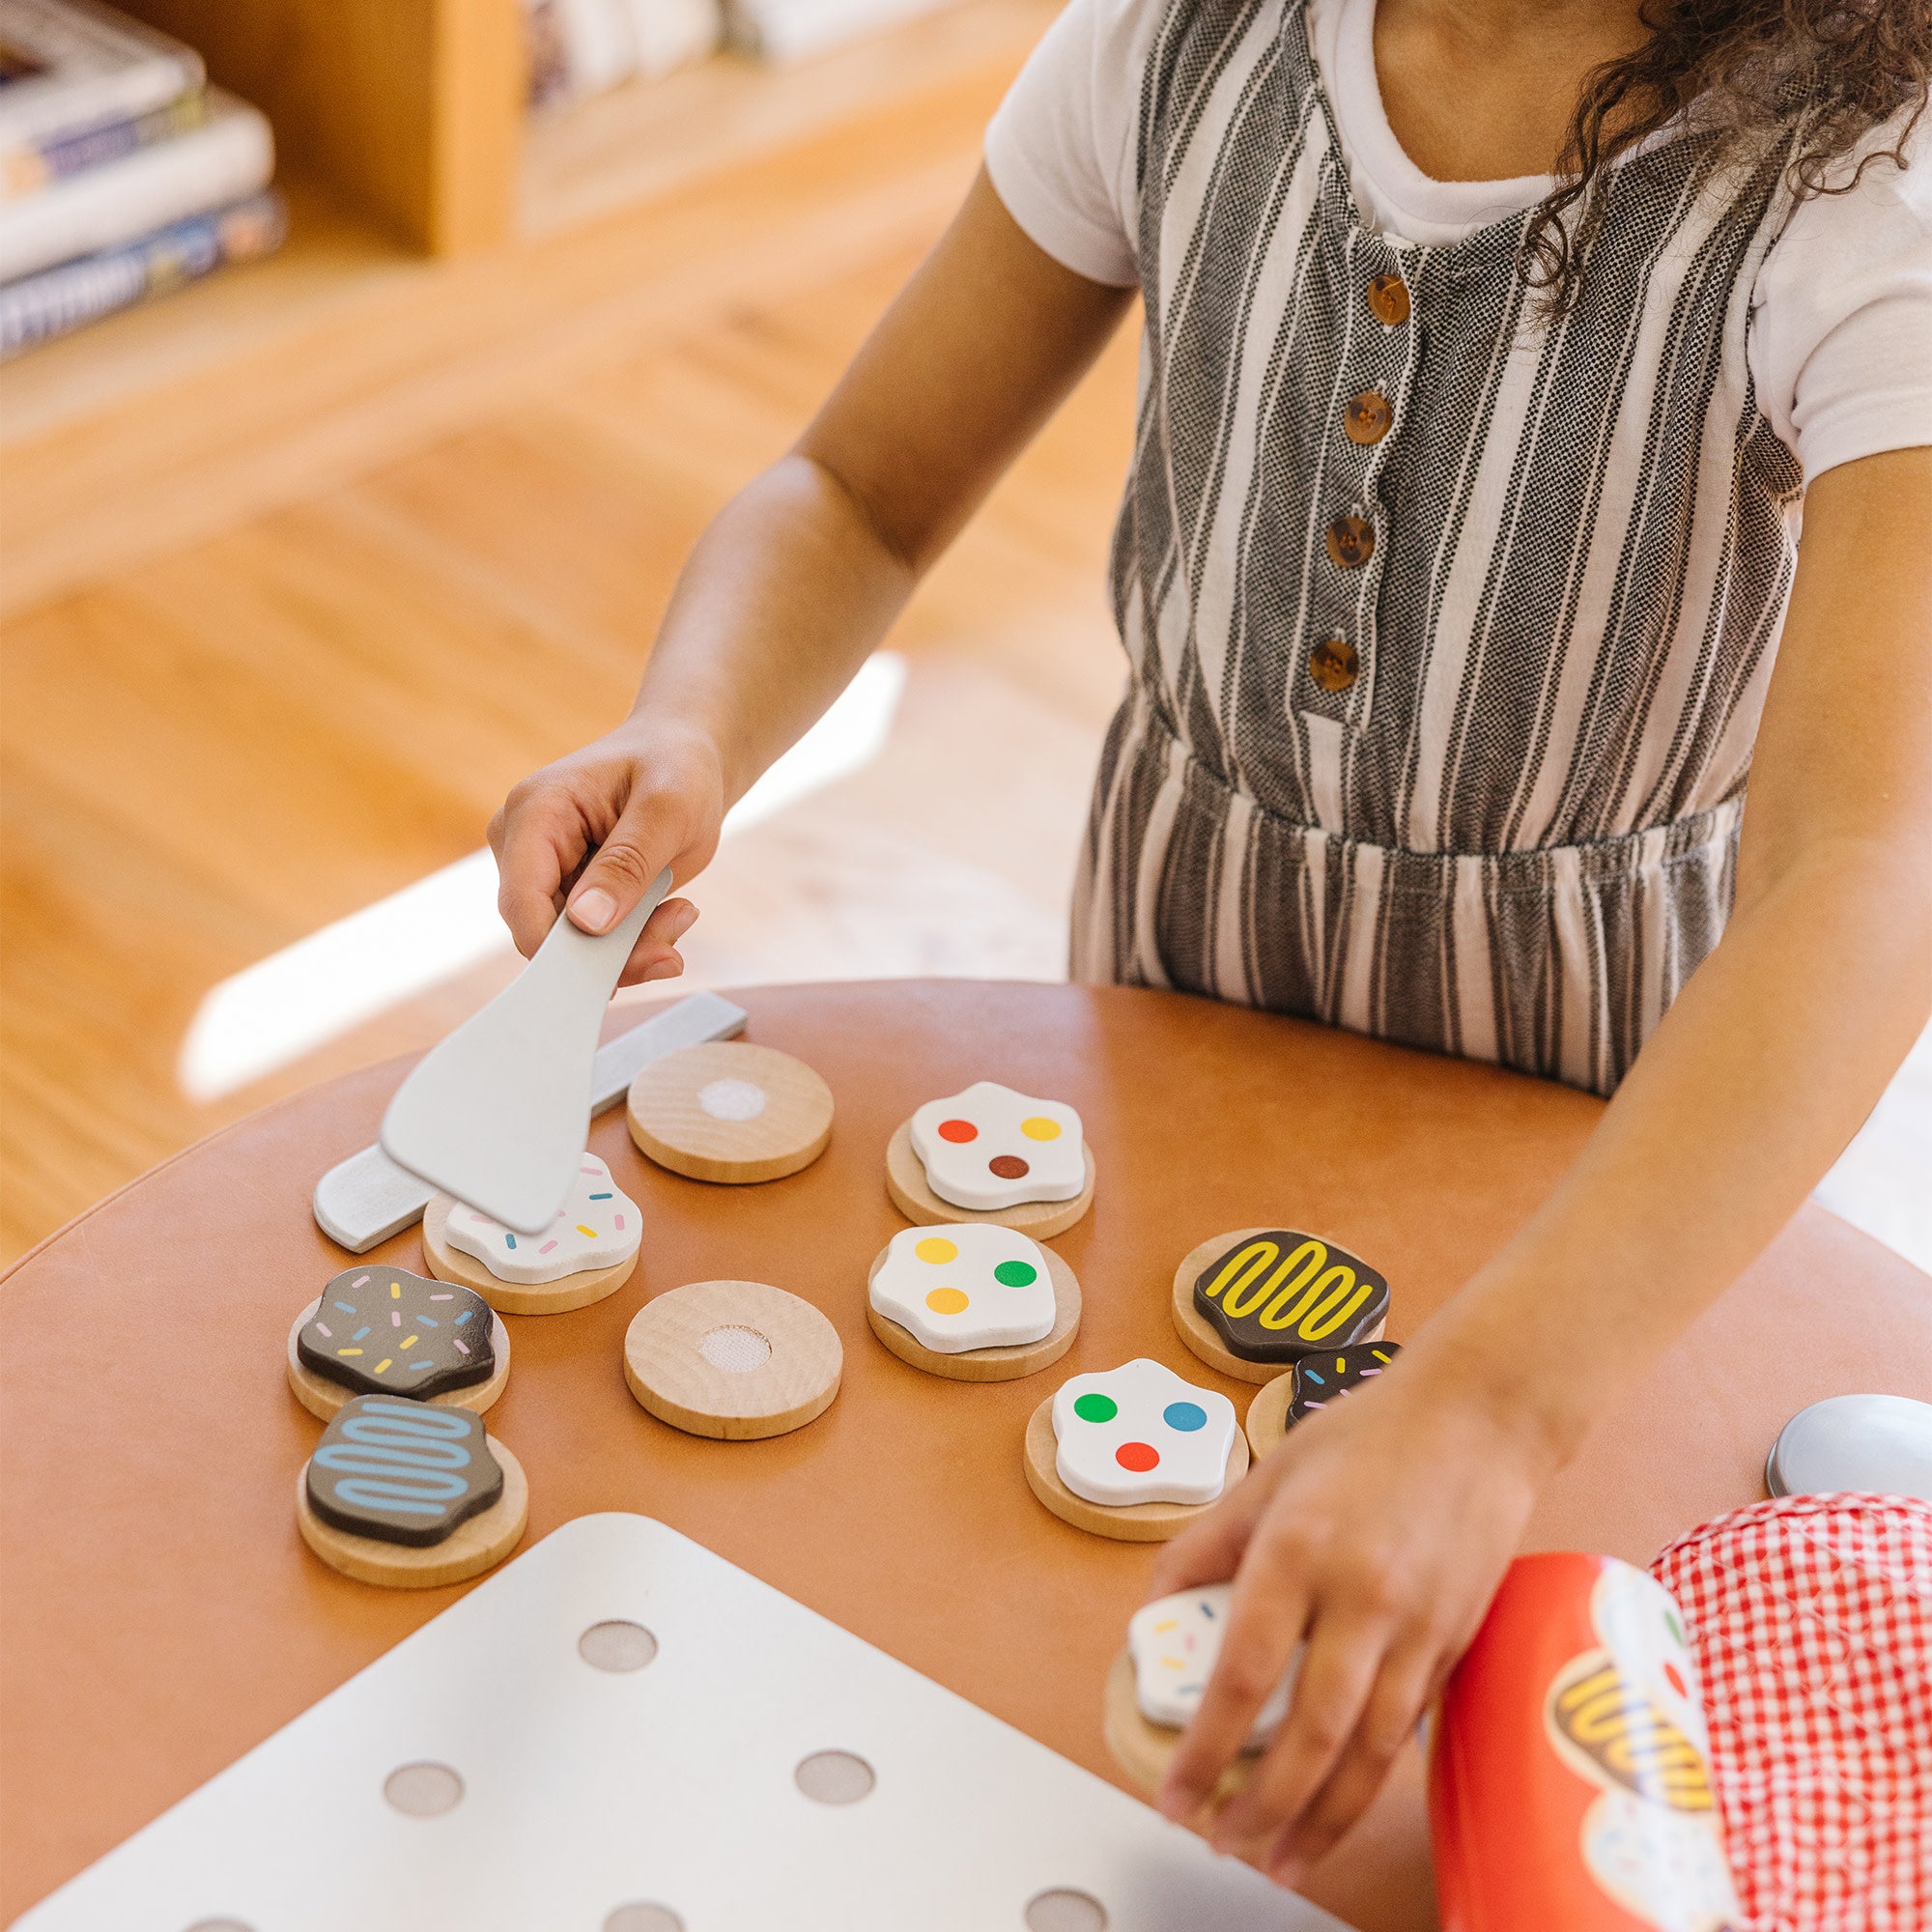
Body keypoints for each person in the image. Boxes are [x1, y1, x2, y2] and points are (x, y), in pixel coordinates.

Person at [491, 0, 1932, 1884]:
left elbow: (1867, 870)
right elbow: (853, 490)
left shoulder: (1862, 191)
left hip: (1586, 1174)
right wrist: (691, 720)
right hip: (1164, 1018)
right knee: (1074, 1612)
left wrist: (1494, 1402)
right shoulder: (1183, 38)